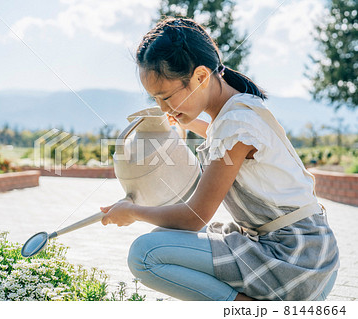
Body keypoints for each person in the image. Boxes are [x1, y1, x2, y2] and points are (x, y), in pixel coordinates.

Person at [100, 17, 339, 301]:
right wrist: (183, 122)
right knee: (170, 240)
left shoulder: (236, 123)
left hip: (296, 258)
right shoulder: (238, 111)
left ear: (201, 77)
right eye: (155, 99)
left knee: (146, 254)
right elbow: (217, 138)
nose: (162, 108)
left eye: (165, 97)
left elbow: (193, 216)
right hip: (304, 250)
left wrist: (132, 211)